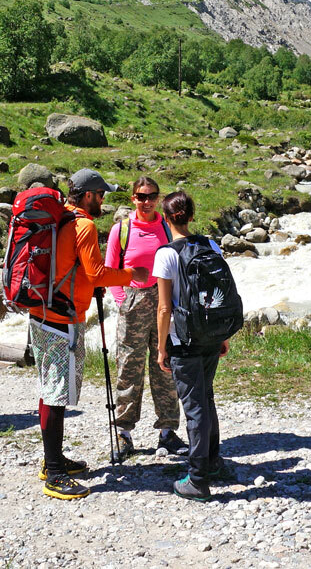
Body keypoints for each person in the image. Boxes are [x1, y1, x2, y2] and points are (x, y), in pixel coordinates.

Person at [31, 169, 147, 500]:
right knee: (56, 391)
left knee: (49, 386)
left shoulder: (59, 220)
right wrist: (130, 274)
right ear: (86, 196)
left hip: (41, 311)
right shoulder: (83, 225)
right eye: (100, 194)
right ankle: (54, 474)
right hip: (62, 318)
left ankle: (52, 461)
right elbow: (95, 273)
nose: (103, 200)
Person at [155, 191, 235, 501]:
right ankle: (214, 462)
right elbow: (220, 296)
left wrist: (162, 347)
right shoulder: (210, 245)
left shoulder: (166, 254)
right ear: (191, 215)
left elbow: (164, 309)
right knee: (207, 397)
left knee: (195, 408)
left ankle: (198, 479)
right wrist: (223, 336)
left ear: (166, 218)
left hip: (184, 340)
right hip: (211, 337)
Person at [105, 176, 185, 459]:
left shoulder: (166, 227)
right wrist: (121, 299)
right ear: (133, 199)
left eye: (152, 196)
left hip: (163, 300)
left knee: (165, 365)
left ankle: (168, 432)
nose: (147, 201)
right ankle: (124, 434)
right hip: (133, 301)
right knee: (129, 368)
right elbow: (110, 269)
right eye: (141, 196)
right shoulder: (121, 230)